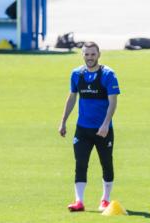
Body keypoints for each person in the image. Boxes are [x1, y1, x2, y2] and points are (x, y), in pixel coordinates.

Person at [58, 42, 121, 212]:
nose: (90, 58)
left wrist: (106, 124)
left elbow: (113, 102)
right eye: (86, 54)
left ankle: (105, 200)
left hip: (103, 130)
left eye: (93, 54)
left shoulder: (108, 75)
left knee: (106, 163)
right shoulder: (76, 74)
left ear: (99, 55)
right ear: (82, 55)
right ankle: (79, 201)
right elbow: (72, 98)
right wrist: (63, 121)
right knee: (80, 163)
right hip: (83, 129)